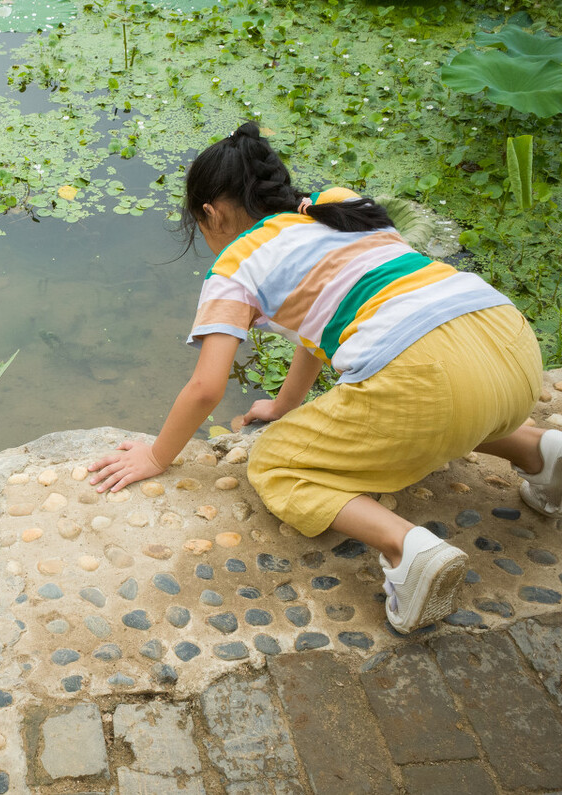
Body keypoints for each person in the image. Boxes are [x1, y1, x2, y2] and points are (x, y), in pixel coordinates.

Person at [88, 121, 561, 633]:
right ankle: (542, 455)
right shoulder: (336, 204)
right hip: (508, 344)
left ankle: (407, 549)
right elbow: (319, 330)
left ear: (212, 213)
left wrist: (157, 456)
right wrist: (285, 404)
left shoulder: (235, 266)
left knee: (275, 464)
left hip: (426, 379)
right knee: (456, 399)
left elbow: (206, 387)